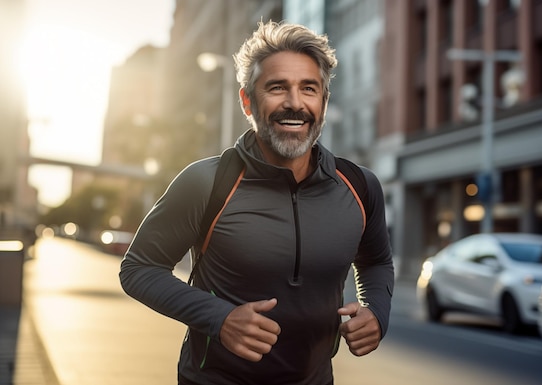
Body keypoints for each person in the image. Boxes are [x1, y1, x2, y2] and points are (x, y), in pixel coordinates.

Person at [119, 20, 394, 385]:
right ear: (247, 100)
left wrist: (377, 312)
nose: (294, 103)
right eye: (277, 88)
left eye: (309, 89)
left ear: (324, 102)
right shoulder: (207, 181)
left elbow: (376, 262)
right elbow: (139, 268)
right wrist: (219, 317)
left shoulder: (360, 186)